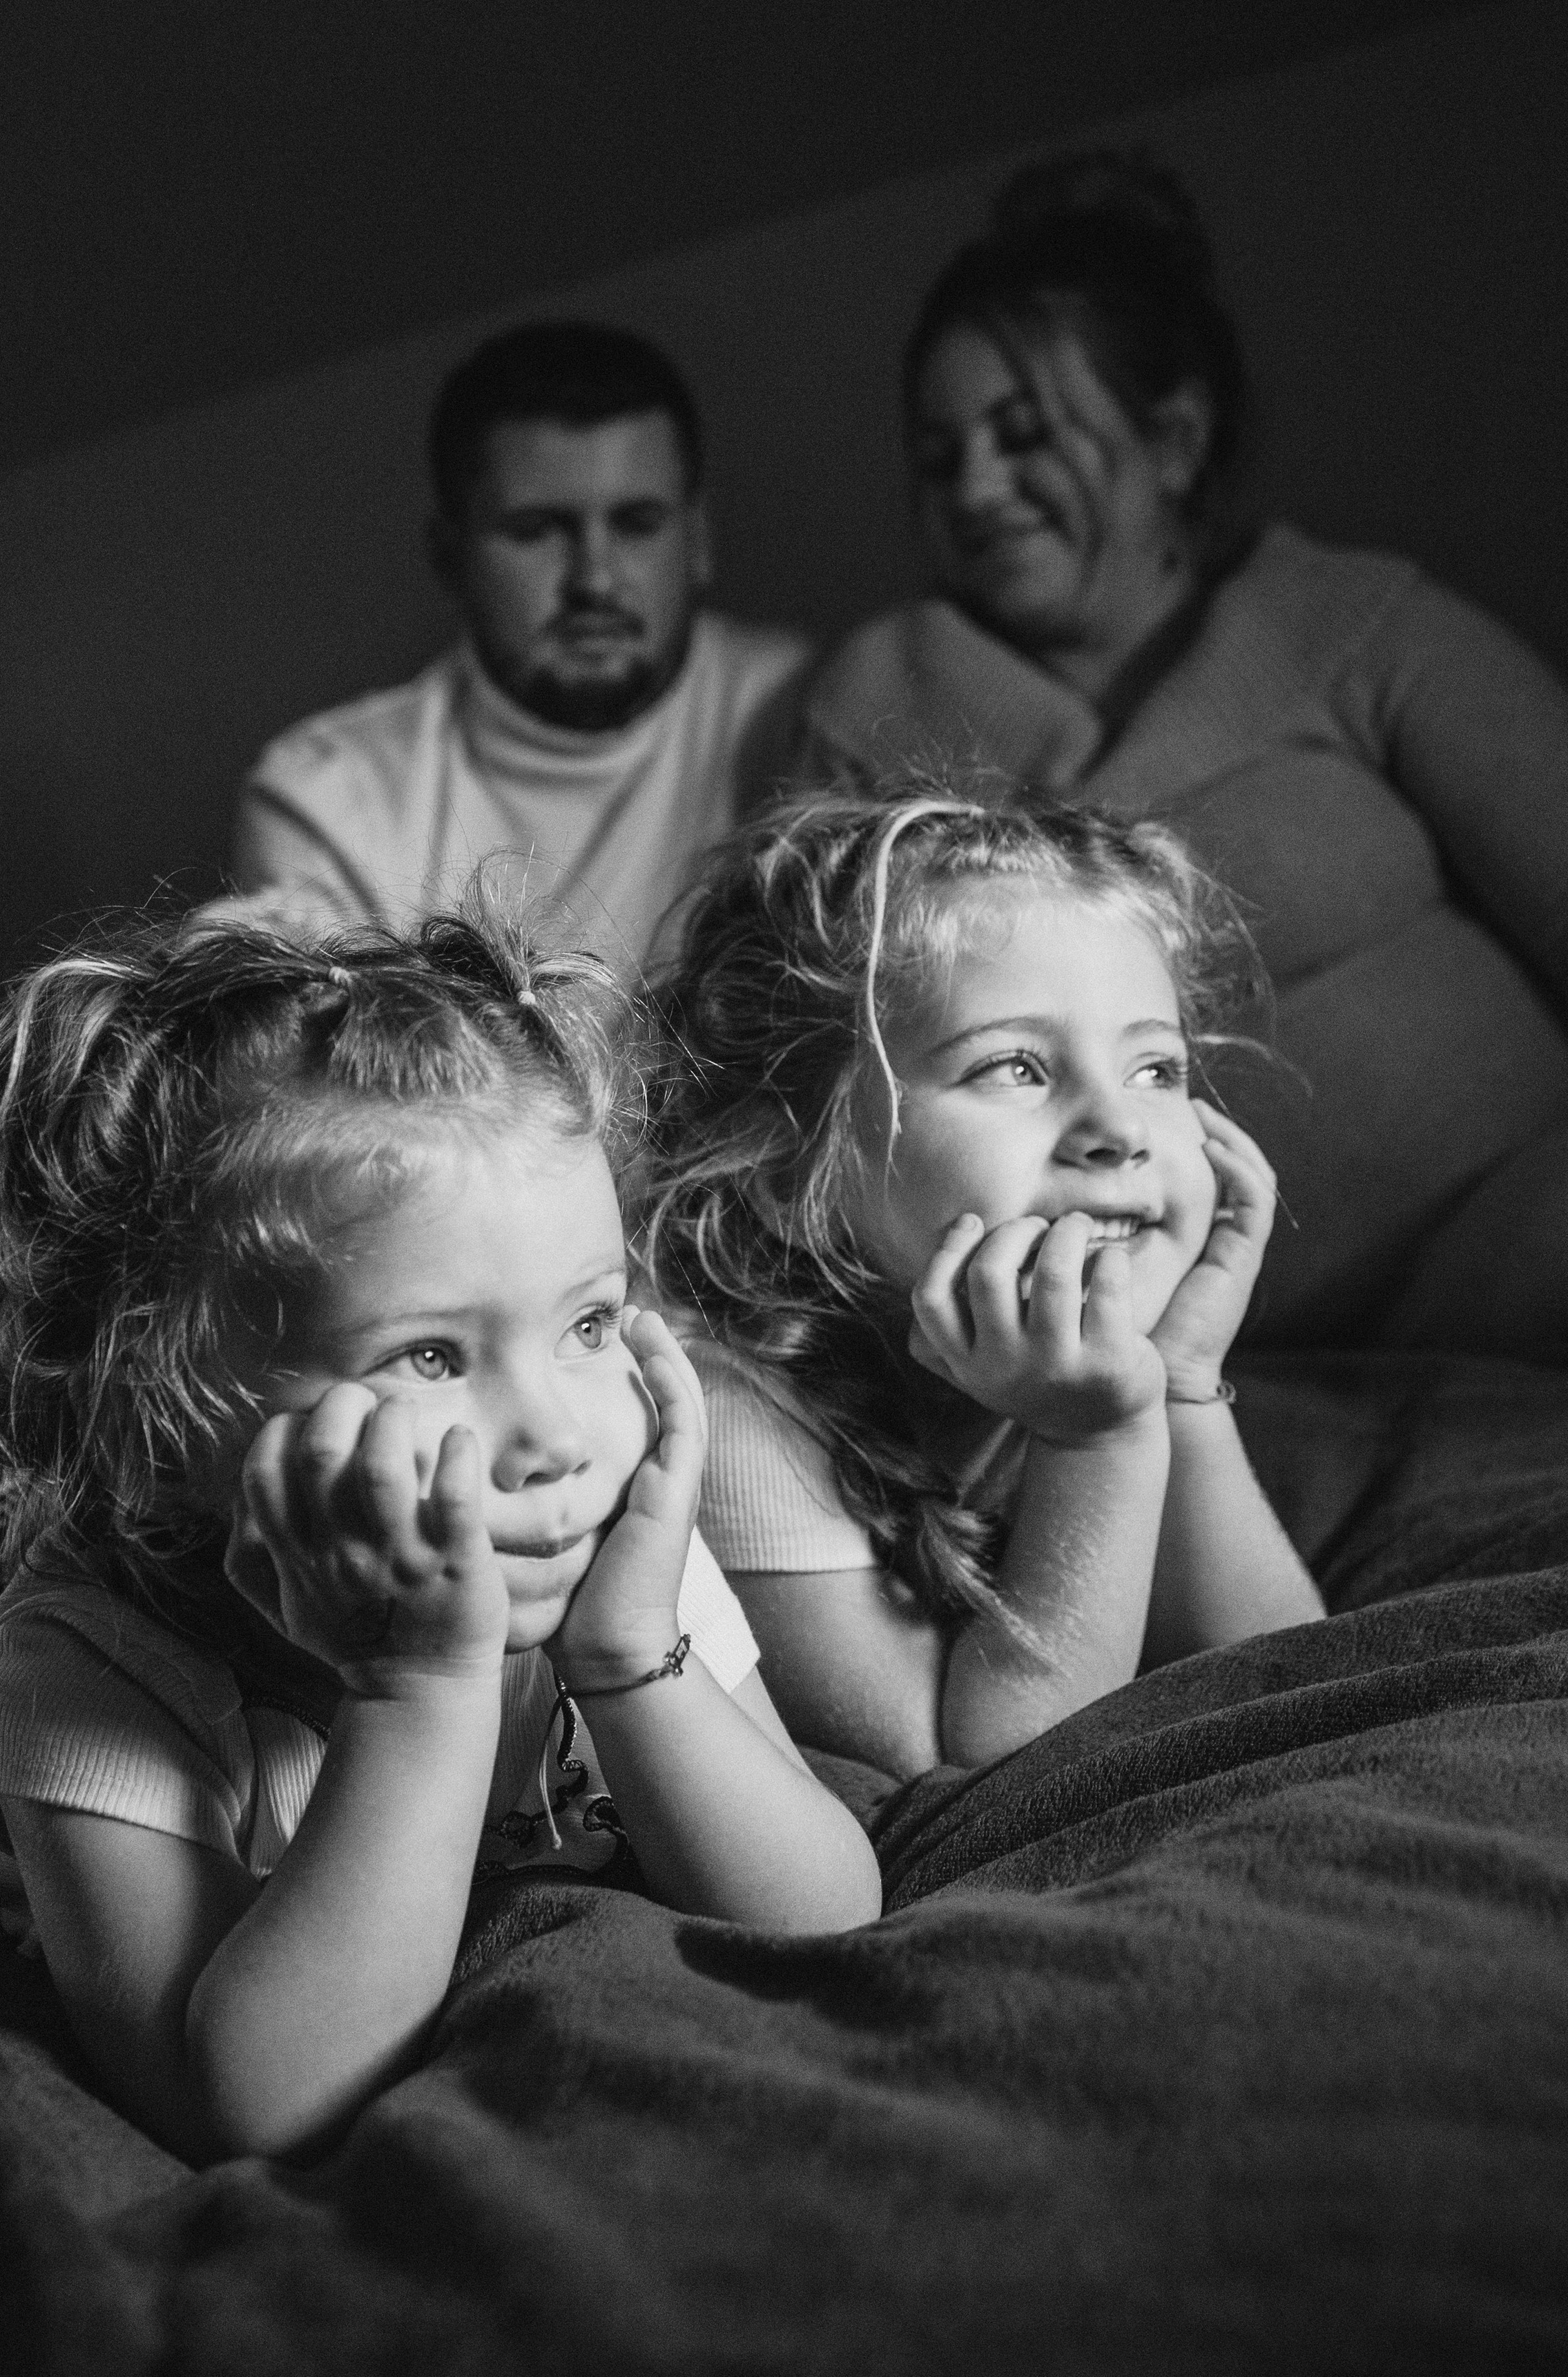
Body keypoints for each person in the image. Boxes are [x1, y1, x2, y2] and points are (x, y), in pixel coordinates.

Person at [0, 908, 879, 2162]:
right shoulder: (81, 1680)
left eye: (591, 1326)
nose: (557, 1432)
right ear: (157, 1411)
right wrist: (416, 1691)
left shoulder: (601, 1554)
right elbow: (255, 2107)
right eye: (433, 1354)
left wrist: (633, 1660)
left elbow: (823, 1915)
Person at [797, 153, 1568, 1356]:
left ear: (1174, 439)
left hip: (1514, 1235)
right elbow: (808, 1078)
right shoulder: (874, 701)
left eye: (1026, 434)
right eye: (940, 453)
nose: (979, 484)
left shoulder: (1349, 621)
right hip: (1155, 1348)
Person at [639, 786, 1323, 1783]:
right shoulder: (725, 1410)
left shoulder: (1087, 1356)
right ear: (792, 1171)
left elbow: (1290, 1675)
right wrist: (1097, 1441)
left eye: (1156, 1071)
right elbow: (973, 1771)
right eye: (1014, 1068)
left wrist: (1179, 1387)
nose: (1122, 1130)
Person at [220, 323, 809, 975]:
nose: (595, 580)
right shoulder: (330, 802)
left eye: (637, 525)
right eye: (536, 531)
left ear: (699, 538)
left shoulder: (801, 704)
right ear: (450, 559)